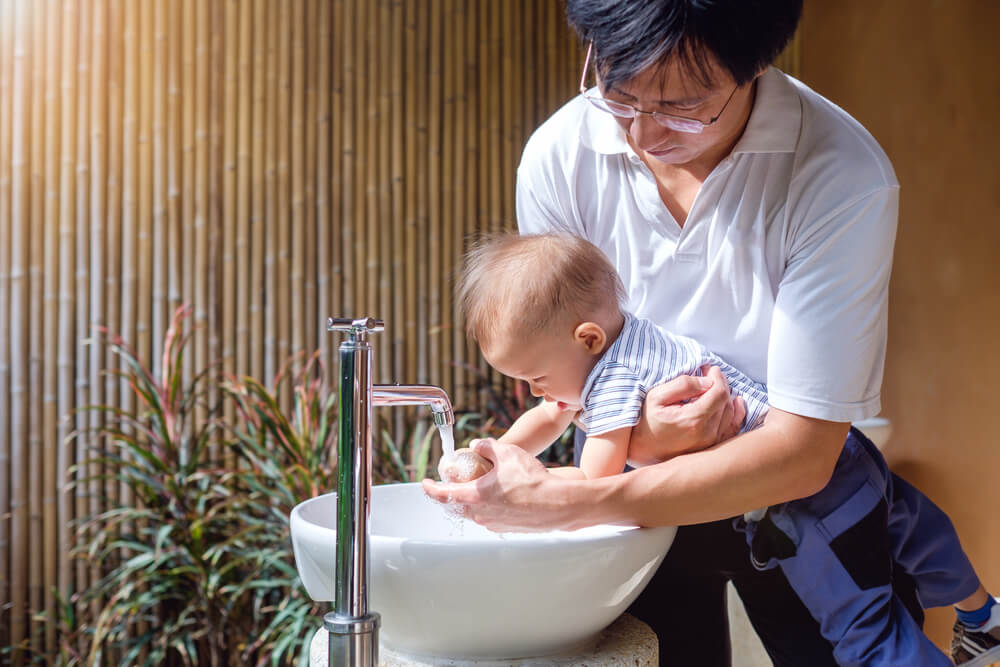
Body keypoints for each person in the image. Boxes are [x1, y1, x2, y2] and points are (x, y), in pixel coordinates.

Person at [423, 1, 999, 665]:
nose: (643, 132)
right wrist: (519, 454)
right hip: (647, 516)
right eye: (619, 91)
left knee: (865, 641)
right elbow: (569, 390)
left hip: (794, 493)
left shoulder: (840, 174)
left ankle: (981, 621)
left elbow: (804, 452)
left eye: (684, 105)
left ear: (756, 65)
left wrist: (583, 488)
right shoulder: (561, 155)